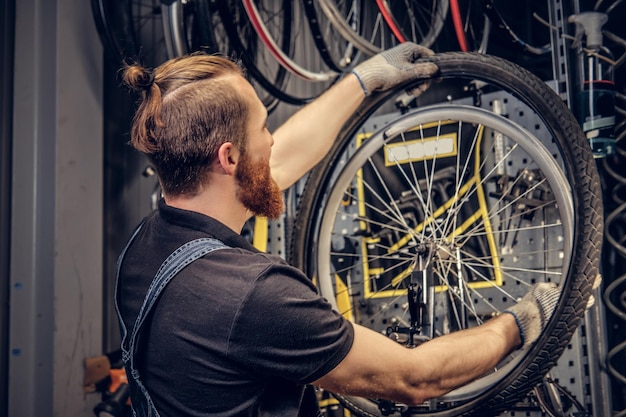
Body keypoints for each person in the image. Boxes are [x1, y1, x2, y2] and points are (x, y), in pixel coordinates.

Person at [115, 43, 562, 417]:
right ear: (228, 158)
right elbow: (416, 378)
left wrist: (362, 81)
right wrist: (519, 325)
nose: (272, 140)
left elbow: (280, 161)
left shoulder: (145, 248)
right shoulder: (255, 296)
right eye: (264, 127)